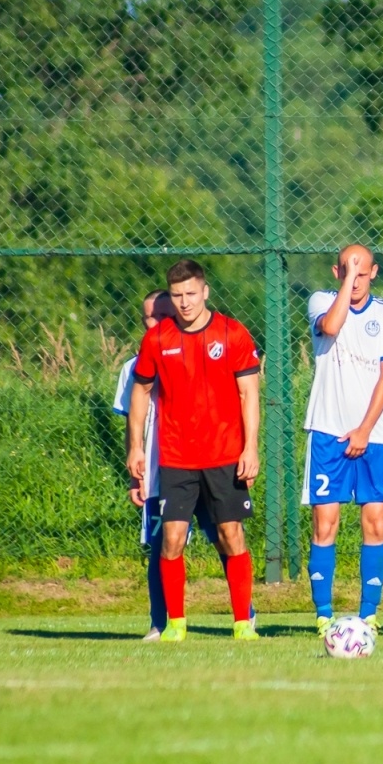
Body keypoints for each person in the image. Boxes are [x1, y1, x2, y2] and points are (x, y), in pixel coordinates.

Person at [126, 260, 262, 642]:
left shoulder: (232, 333)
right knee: (170, 540)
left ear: (205, 292)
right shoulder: (157, 340)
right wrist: (136, 447)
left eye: (190, 293)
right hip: (175, 457)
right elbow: (140, 392)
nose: (184, 302)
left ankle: (241, 624)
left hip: (224, 454)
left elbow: (249, 393)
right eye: (177, 295)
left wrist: (250, 447)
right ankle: (176, 626)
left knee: (231, 535)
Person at [303, 244, 383, 638]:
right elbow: (331, 328)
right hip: (327, 431)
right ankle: (324, 614)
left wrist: (364, 429)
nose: (356, 279)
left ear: (375, 272)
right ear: (336, 272)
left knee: (375, 523)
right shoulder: (321, 302)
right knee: (325, 524)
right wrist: (346, 283)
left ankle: (368, 614)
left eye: (362, 272)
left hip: (373, 435)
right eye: (348, 270)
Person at [113, 289, 223, 642]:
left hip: (202, 464)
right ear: (143, 321)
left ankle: (245, 612)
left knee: (224, 536)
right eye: (151, 316)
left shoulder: (194, 351)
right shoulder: (133, 368)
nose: (159, 320)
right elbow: (133, 425)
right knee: (162, 546)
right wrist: (136, 476)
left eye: (166, 313)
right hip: (160, 474)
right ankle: (160, 623)